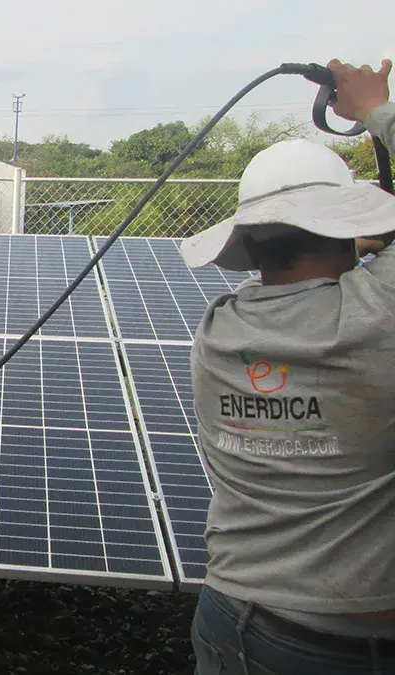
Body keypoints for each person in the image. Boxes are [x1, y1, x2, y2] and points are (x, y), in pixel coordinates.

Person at [180, 59, 395, 674]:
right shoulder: (375, 315)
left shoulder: (219, 330)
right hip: (345, 647)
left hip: (227, 614)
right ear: (345, 227)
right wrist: (374, 110)